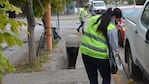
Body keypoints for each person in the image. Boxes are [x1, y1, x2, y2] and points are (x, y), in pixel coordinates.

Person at [79, 7, 122, 84]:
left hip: (85, 52)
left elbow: (84, 29)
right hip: (100, 56)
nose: (118, 23)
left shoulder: (94, 18)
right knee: (106, 77)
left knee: (92, 79)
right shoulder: (111, 28)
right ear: (114, 17)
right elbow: (114, 47)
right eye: (118, 20)